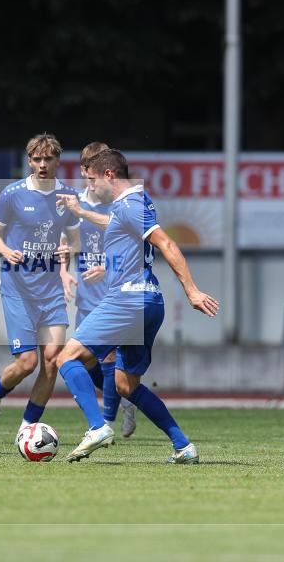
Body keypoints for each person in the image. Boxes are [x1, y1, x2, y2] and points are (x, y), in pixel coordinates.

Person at [54, 148, 219, 463]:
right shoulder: (132, 203)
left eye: (92, 181)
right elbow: (119, 230)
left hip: (128, 299)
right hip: (148, 300)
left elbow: (167, 244)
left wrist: (192, 290)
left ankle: (97, 427)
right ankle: (183, 446)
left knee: (66, 356)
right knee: (125, 384)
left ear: (110, 175)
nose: (90, 188)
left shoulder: (129, 205)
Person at [0, 133, 81, 442]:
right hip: (18, 289)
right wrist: (3, 251)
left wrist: (68, 251)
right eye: (37, 159)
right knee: (27, 362)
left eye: (48, 159)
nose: (43, 164)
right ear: (30, 161)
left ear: (58, 161)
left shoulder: (68, 198)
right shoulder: (13, 193)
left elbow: (74, 240)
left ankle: (26, 428)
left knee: (52, 361)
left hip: (50, 292)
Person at [59, 142, 138, 439]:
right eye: (91, 165)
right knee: (84, 360)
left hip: (117, 289)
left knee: (107, 359)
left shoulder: (118, 200)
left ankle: (105, 423)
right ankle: (125, 397)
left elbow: (127, 233)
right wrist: (64, 271)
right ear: (84, 169)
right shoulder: (74, 202)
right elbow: (64, 240)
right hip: (87, 292)